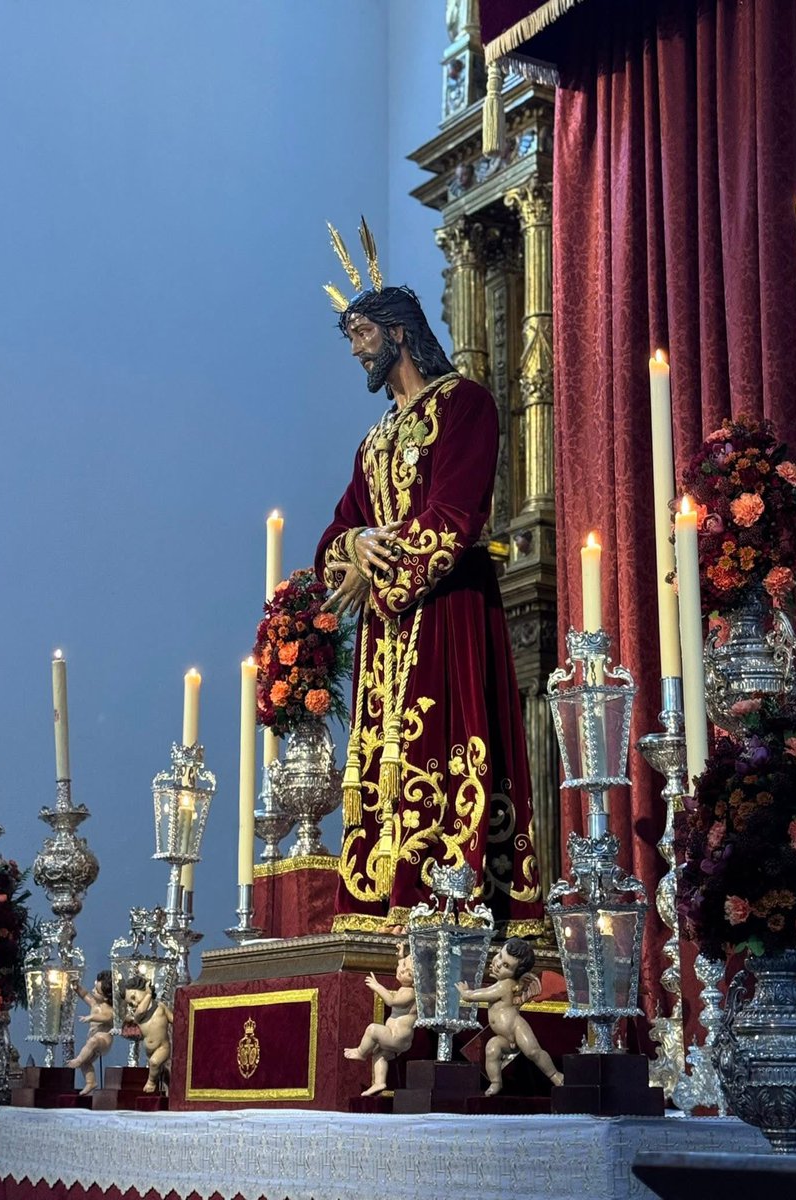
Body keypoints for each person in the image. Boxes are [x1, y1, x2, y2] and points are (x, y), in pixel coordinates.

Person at [316, 221, 544, 935]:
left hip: (448, 613)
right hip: (388, 635)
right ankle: (382, 899)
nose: (355, 350)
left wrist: (376, 568)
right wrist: (356, 543)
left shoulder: (466, 405)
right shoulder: (375, 440)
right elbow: (335, 532)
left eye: (361, 335)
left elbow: (455, 512)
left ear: (397, 333)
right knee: (383, 760)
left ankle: (453, 903)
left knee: (446, 749)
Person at [456, 937, 563, 1096]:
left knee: (533, 1052)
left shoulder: (505, 985)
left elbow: (484, 994)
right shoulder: (503, 983)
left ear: (515, 973)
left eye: (506, 965)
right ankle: (496, 1082)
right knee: (492, 1048)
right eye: (499, 956)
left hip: (516, 1027)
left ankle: (556, 1075)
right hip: (503, 1036)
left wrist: (467, 994)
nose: (498, 963)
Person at [343, 943, 417, 1095]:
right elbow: (402, 963)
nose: (402, 970)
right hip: (396, 1036)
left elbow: (391, 1001)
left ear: (417, 981)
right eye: (402, 967)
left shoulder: (410, 993)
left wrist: (377, 986)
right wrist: (401, 956)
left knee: (372, 1029)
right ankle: (379, 1083)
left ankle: (361, 1053)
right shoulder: (406, 987)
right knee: (379, 1054)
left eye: (408, 973)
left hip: (397, 1037)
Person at [123, 974, 173, 1093]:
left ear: (145, 990)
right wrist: (148, 995)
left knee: (154, 1063)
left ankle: (151, 1082)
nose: (134, 1004)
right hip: (149, 1049)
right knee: (159, 1069)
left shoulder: (160, 1007)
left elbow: (173, 1019)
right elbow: (140, 1011)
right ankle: (171, 1086)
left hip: (163, 1046)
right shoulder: (138, 1015)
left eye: (134, 998)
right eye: (130, 1003)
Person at [67, 970, 114, 1095]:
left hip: (103, 1041)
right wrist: (77, 987)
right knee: (86, 1061)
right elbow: (85, 995)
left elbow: (107, 1017)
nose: (93, 990)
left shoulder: (109, 1009)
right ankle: (91, 1082)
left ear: (105, 997)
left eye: (97, 990)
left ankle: (78, 1061)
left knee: (92, 1043)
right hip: (92, 1041)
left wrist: (91, 1017)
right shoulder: (94, 1003)